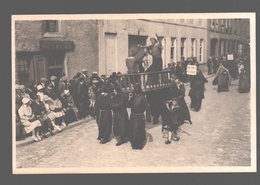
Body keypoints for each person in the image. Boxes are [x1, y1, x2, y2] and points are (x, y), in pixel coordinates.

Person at [127, 83, 150, 150]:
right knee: (133, 129)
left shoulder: (142, 97)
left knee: (139, 130)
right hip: (133, 116)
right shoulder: (133, 97)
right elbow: (128, 106)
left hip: (139, 116)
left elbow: (147, 107)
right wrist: (129, 98)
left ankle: (139, 144)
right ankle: (134, 143)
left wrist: (148, 117)